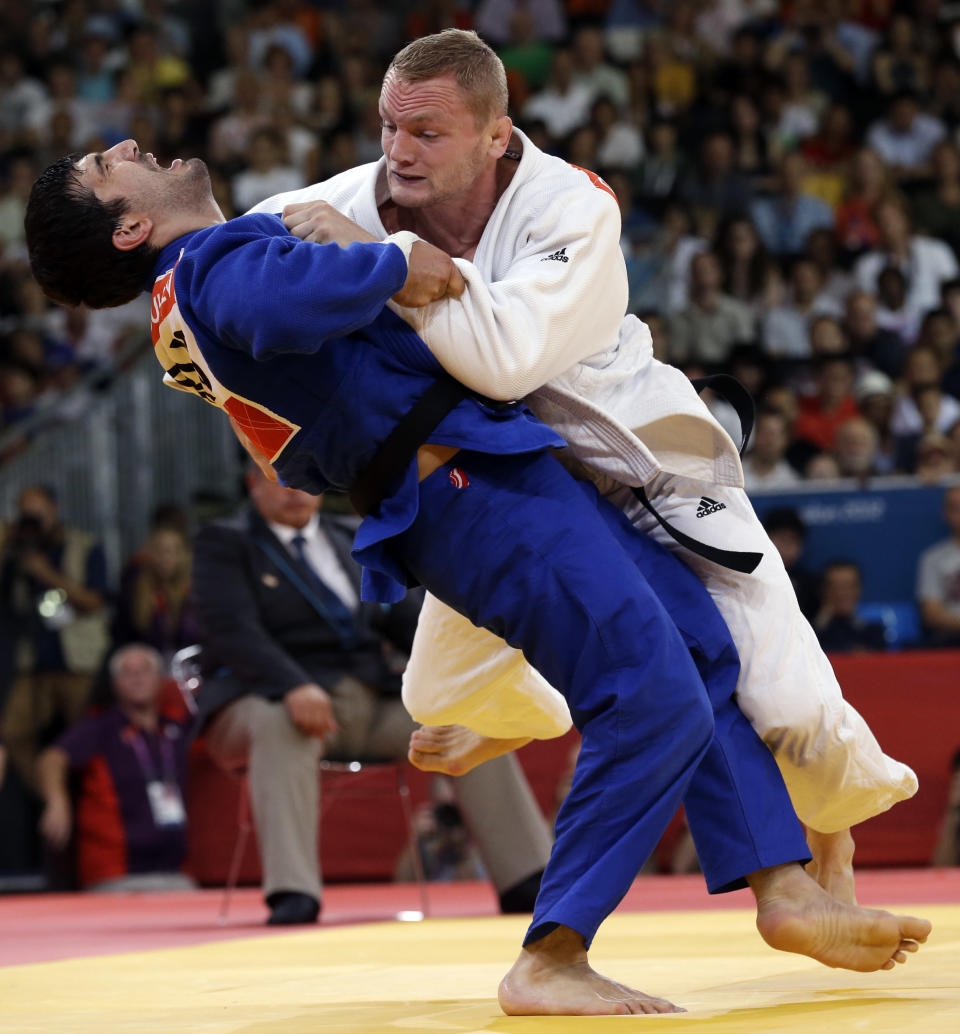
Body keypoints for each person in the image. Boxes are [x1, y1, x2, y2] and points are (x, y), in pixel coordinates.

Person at [24, 139, 931, 1016]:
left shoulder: (186, 301)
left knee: (698, 643)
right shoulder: (214, 267)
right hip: (468, 493)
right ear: (129, 229)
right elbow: (276, 307)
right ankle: (554, 952)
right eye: (110, 166)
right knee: (649, 696)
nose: (134, 145)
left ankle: (782, 885)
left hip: (490, 470)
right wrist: (391, 265)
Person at [260, 29, 917, 907]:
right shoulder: (352, 201)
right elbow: (234, 259)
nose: (396, 152)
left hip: (648, 470)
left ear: (496, 135)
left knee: (790, 705)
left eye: (426, 133)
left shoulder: (570, 205)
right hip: (509, 488)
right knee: (436, 692)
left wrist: (376, 262)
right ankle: (532, 713)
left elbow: (504, 361)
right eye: (387, 126)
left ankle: (830, 827)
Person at [191, 464, 552, 925]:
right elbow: (231, 631)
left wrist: (459, 681)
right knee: (283, 725)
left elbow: (410, 621)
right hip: (262, 700)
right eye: (277, 480)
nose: (294, 492)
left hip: (365, 701)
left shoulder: (349, 536)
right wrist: (291, 686)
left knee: (471, 720)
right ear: (252, 485)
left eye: (302, 482)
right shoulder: (226, 542)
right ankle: (293, 893)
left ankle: (527, 875)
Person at [35, 643, 193, 891]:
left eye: (144, 671)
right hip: (116, 876)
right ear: (114, 683)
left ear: (161, 680)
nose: (137, 679)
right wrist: (56, 800)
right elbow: (52, 757)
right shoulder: (101, 728)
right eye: (127, 673)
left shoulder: (175, 727)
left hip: (175, 873)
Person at [0, 484, 109, 795]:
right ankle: (52, 800)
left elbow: (94, 602)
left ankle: (90, 800)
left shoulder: (85, 545)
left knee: (84, 740)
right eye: (24, 513)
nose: (31, 520)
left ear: (54, 509)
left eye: (37, 512)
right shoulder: (17, 552)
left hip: (79, 663)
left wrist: (46, 574)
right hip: (33, 663)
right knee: (13, 731)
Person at [916, 484, 960, 647]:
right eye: (955, 508)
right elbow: (931, 613)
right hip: (951, 640)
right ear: (945, 513)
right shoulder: (933, 558)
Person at [813, 562, 886, 654]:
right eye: (835, 587)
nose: (841, 593)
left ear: (859, 589)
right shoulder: (809, 634)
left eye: (848, 586)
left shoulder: (874, 633)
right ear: (823, 590)